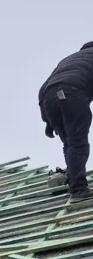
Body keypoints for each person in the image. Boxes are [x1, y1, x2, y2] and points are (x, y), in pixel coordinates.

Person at [39, 43, 93, 203]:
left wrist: (48, 120)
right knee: (78, 143)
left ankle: (73, 180)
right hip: (72, 93)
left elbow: (43, 89)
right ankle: (78, 190)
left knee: (69, 143)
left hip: (49, 98)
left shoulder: (69, 60)